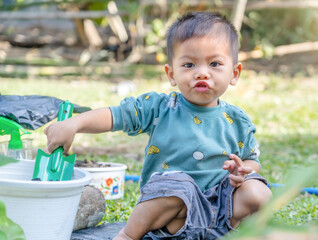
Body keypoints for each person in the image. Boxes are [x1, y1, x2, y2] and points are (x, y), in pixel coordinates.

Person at [45, 12, 272, 240]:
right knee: (176, 185)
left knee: (258, 191)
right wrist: (75, 123)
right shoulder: (160, 107)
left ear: (234, 73)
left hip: (219, 215)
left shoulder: (238, 121)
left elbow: (252, 160)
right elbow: (115, 116)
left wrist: (243, 170)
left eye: (215, 63)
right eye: (189, 64)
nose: (202, 72)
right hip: (172, 217)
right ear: (171, 74)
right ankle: (127, 236)